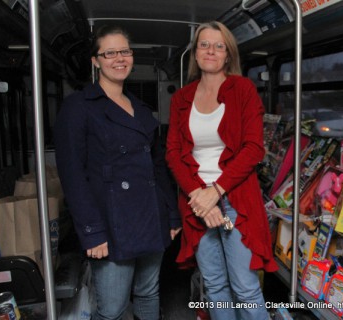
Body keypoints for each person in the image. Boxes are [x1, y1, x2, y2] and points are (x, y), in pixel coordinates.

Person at [54, 25, 182, 320]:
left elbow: (157, 167)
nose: (119, 58)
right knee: (112, 308)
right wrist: (92, 232)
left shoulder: (140, 108)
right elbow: (73, 175)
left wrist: (172, 215)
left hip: (151, 218)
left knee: (149, 293)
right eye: (109, 53)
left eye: (124, 51)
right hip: (111, 225)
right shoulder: (78, 107)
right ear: (95, 61)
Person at [166, 21, 277, 320]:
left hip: (235, 199)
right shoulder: (181, 98)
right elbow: (174, 154)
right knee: (214, 285)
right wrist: (199, 197)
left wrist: (214, 192)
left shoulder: (243, 90)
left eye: (219, 45)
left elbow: (254, 149)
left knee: (245, 287)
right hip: (196, 202)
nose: (211, 51)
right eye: (204, 44)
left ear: (228, 55)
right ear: (196, 53)